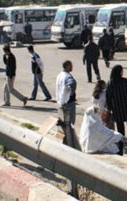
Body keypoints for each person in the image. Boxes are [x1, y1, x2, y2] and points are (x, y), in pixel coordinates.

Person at [55, 60, 79, 197]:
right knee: (69, 126)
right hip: (67, 104)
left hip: (60, 103)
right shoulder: (68, 77)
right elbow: (72, 84)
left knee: (64, 128)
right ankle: (70, 147)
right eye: (71, 65)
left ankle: (65, 146)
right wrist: (70, 92)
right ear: (67, 66)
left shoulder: (59, 75)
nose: (72, 67)